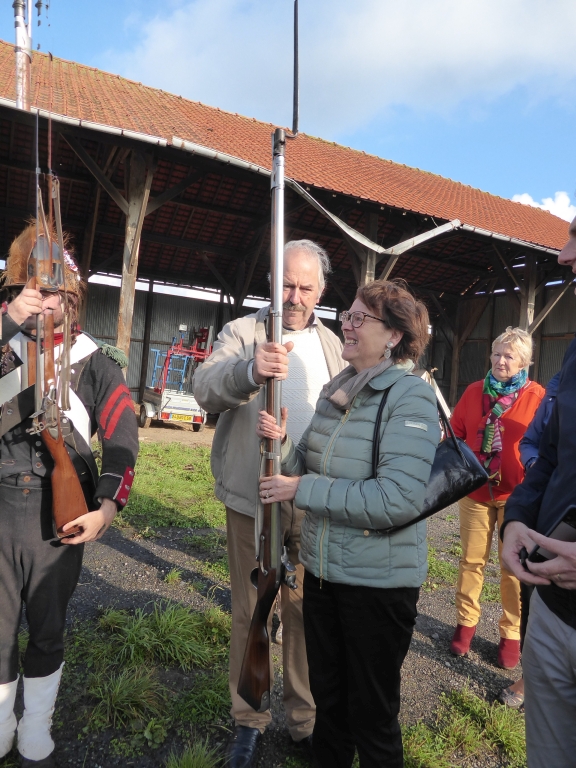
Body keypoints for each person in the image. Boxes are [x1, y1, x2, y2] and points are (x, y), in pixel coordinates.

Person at [257, 279, 439, 768]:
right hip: (323, 574)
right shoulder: (338, 389)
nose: (347, 324)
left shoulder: (409, 398)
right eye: (348, 314)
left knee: (372, 714)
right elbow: (313, 468)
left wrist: (301, 490)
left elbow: (397, 499)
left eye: (361, 318)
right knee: (329, 703)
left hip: (376, 586)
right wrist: (284, 447)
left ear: (395, 336)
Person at [193, 240, 345, 768]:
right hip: (254, 497)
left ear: (321, 291)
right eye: (286, 284)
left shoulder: (334, 345)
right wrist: (249, 373)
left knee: (305, 612)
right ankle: (249, 719)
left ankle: (304, 722)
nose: (295, 296)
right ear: (270, 282)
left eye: (306, 287)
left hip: (312, 498)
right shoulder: (242, 333)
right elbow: (204, 387)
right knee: (251, 610)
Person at [0, 223, 139, 767]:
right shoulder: (5, 342)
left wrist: (105, 507)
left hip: (61, 513)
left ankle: (36, 722)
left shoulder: (95, 361)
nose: (45, 298)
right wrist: (8, 322)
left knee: (49, 626)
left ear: (73, 298)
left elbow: (123, 440)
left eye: (55, 289)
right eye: (32, 286)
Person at [501, 212, 576, 768]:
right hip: (553, 609)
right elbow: (548, 454)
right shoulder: (575, 353)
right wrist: (516, 518)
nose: (563, 257)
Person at [449, 327, 544, 668]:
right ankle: (466, 622)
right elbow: (455, 434)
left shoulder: (537, 397)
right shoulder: (474, 392)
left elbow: (546, 445)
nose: (501, 361)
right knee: (471, 561)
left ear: (524, 363)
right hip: (474, 493)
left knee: (512, 567)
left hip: (516, 497)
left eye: (510, 356)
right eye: (497, 354)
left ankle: (511, 633)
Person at [499, 370, 560, 708]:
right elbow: (535, 442)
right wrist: (545, 472)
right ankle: (531, 674)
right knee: (534, 591)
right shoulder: (563, 377)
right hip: (549, 509)